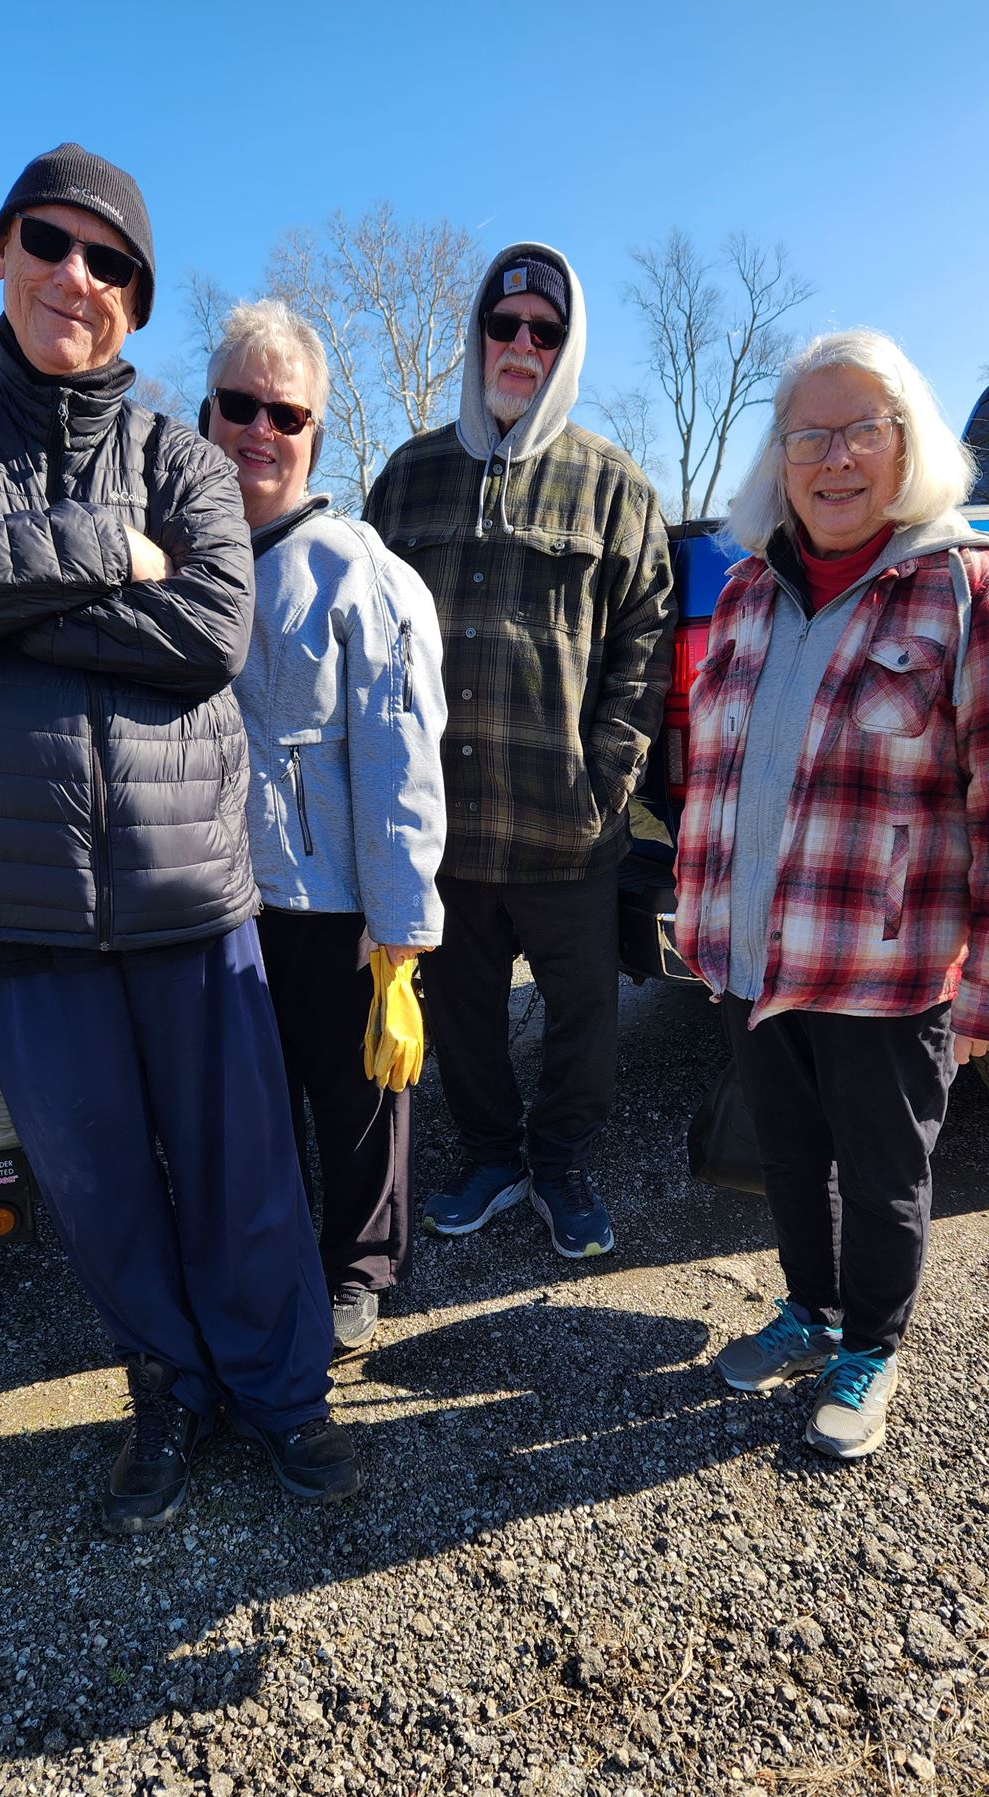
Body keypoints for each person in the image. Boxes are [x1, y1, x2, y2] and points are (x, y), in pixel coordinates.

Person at [0, 144, 358, 1531]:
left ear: (138, 296)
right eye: (52, 243)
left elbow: (204, 635)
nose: (78, 275)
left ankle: (283, 1393)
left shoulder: (183, 455)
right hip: (15, 905)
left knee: (246, 1173)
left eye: (111, 261)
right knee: (102, 1186)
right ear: (0, 251)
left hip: (189, 886)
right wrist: (106, 553)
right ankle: (170, 1390)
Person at [674, 329, 989, 1459]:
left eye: (860, 429)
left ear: (908, 444)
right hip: (752, 953)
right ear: (779, 456)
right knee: (788, 1155)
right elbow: (714, 771)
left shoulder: (972, 593)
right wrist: (699, 930)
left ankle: (871, 1347)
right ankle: (807, 1308)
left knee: (884, 1172)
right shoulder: (747, 592)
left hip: (887, 966)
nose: (832, 457)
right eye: (808, 433)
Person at [364, 244, 674, 1260]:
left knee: (583, 1020)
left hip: (563, 829)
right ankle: (491, 1154)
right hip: (441, 830)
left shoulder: (612, 486)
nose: (520, 347)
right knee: (459, 1019)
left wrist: (606, 782)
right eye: (504, 327)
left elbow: (643, 641)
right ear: (477, 339)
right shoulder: (407, 478)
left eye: (544, 331)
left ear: (565, 347)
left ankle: (561, 1164)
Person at [200, 301, 446, 1355]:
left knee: (354, 1100)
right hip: (212, 892)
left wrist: (399, 940)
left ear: (314, 433)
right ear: (207, 413)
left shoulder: (361, 575)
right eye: (239, 405)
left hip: (331, 898)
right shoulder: (176, 553)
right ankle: (265, 1259)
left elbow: (401, 760)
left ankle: (357, 1268)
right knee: (246, 1109)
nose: (260, 429)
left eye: (284, 413)